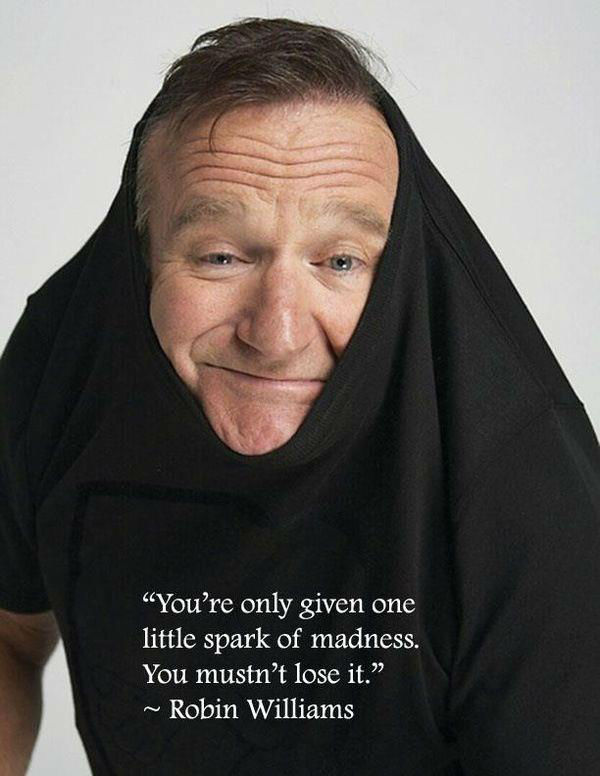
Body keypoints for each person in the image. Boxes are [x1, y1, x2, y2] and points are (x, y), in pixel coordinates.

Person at [1, 17, 599, 776]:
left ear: (400, 272)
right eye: (221, 256)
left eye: (340, 261)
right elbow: (10, 632)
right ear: (140, 256)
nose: (278, 334)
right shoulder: (64, 360)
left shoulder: (526, 489)